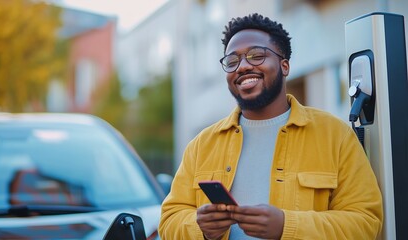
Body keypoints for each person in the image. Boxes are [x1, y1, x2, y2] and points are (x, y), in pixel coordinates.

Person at [159, 13, 383, 240]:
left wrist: (287, 226)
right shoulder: (201, 145)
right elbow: (169, 220)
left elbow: (365, 221)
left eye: (256, 55)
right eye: (232, 61)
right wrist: (200, 229)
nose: (243, 66)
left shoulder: (336, 135)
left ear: (284, 66)